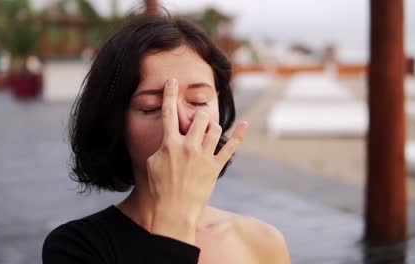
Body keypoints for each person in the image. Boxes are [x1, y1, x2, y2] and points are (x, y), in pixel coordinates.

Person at [42, 13, 290, 264]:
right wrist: (175, 220)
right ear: (114, 123)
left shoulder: (262, 242)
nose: (181, 122)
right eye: (151, 107)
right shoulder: (77, 247)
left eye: (198, 101)